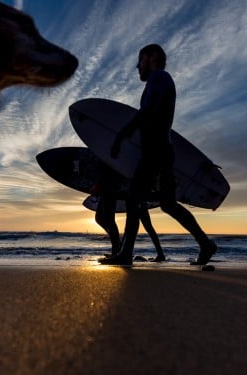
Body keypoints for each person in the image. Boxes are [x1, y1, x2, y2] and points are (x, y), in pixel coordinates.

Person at [100, 44, 216, 266]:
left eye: (140, 59)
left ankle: (126, 253)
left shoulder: (159, 77)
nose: (137, 65)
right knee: (168, 204)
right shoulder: (161, 79)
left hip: (156, 151)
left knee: (134, 198)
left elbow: (147, 112)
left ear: (152, 57)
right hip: (163, 150)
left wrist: (120, 137)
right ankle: (206, 244)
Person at [91, 160, 166, 261]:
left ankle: (118, 250)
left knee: (138, 218)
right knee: (140, 218)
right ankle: (120, 249)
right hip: (127, 181)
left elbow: (110, 160)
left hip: (118, 181)